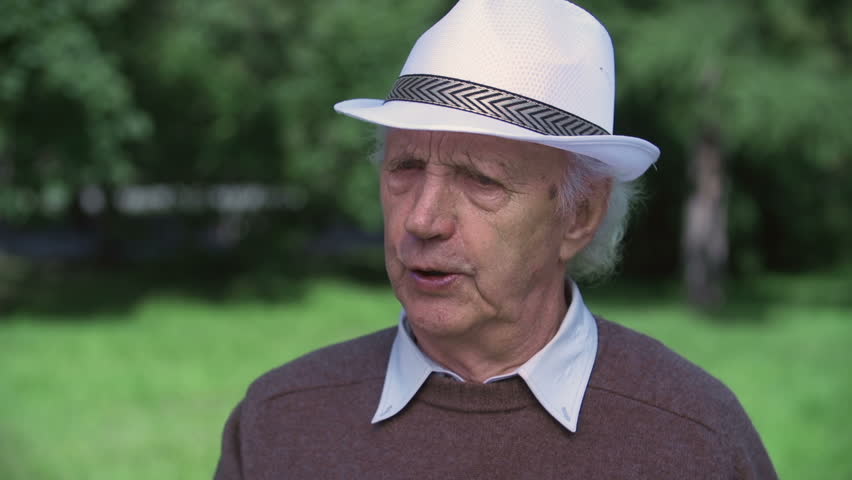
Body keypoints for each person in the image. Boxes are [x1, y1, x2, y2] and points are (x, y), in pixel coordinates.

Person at [214, 1, 777, 478]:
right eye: (405, 167)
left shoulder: (694, 439)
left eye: (480, 179)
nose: (423, 219)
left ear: (580, 214)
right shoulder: (279, 424)